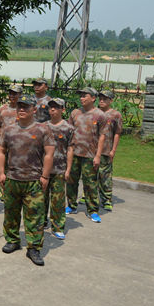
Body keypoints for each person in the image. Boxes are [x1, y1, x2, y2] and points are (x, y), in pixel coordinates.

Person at [0, 94, 55, 266]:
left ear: (34, 110)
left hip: (33, 180)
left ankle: (34, 248)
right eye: (20, 106)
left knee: (35, 216)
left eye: (26, 107)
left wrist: (45, 176)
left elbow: (49, 154)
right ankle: (12, 240)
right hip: (12, 178)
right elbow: (1, 151)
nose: (21, 109)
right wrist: (1, 172)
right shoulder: (8, 129)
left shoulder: (43, 130)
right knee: (11, 213)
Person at [66, 86, 107, 223]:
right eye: (81, 95)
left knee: (90, 183)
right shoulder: (75, 113)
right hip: (74, 153)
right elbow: (68, 131)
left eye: (85, 95)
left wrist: (98, 155)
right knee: (71, 180)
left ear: (93, 98)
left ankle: (93, 210)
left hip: (90, 155)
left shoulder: (100, 115)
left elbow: (102, 136)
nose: (82, 98)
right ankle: (71, 205)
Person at [46, 98, 74, 240]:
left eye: (56, 107)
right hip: (44, 170)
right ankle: (42, 222)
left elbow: (70, 149)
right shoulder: (43, 127)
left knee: (58, 200)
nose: (52, 110)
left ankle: (57, 226)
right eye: (51, 107)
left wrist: (68, 169)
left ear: (63, 110)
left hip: (59, 169)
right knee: (41, 199)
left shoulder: (68, 128)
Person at [0, 84, 23, 203]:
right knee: (3, 169)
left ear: (20, 94)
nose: (12, 96)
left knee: (16, 169)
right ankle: (3, 192)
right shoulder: (2, 109)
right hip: (4, 143)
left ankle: (16, 193)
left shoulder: (23, 109)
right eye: (10, 93)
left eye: (15, 93)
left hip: (18, 144)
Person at [98, 90, 122, 211]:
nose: (101, 101)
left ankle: (107, 199)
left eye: (105, 99)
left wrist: (113, 150)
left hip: (106, 149)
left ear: (111, 101)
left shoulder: (115, 115)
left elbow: (117, 133)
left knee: (105, 175)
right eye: (100, 98)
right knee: (90, 175)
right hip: (91, 150)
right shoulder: (94, 113)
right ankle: (87, 196)